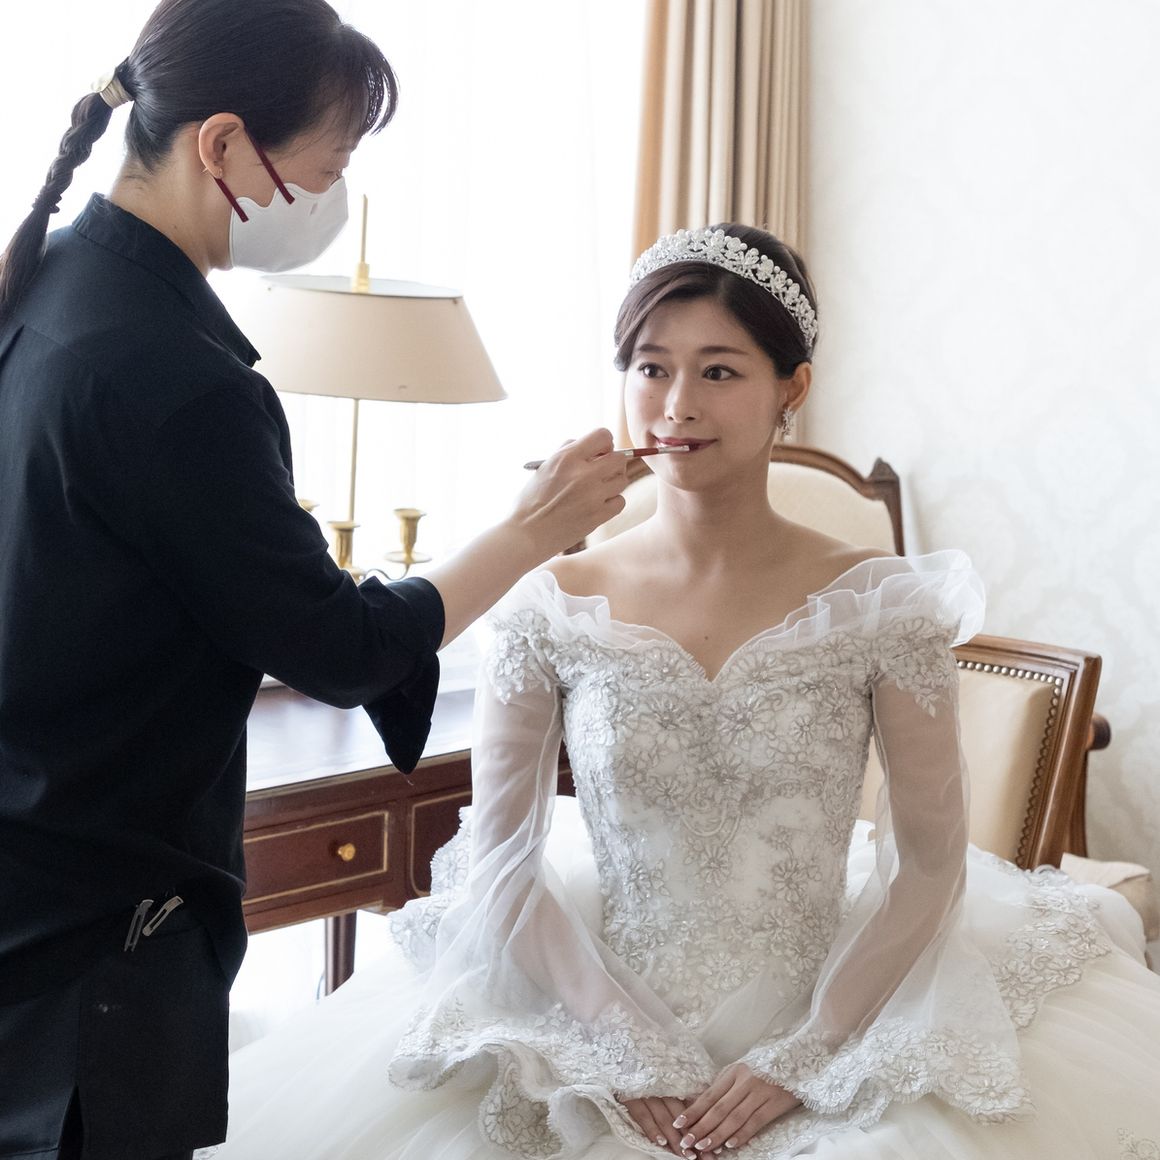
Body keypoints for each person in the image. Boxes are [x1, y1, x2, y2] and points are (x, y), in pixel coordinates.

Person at [213, 223, 1160, 1160]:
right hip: (592, 1010)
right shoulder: (550, 602)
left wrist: (806, 1056)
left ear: (791, 389)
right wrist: (623, 1042)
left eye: (719, 371)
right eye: (651, 368)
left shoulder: (882, 605)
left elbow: (928, 864)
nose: (675, 406)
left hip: (835, 1013)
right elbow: (501, 861)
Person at [0, 2, 630, 1157]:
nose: (332, 196)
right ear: (222, 144)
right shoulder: (175, 377)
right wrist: (533, 527)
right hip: (100, 937)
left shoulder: (51, 282)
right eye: (330, 166)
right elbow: (342, 647)